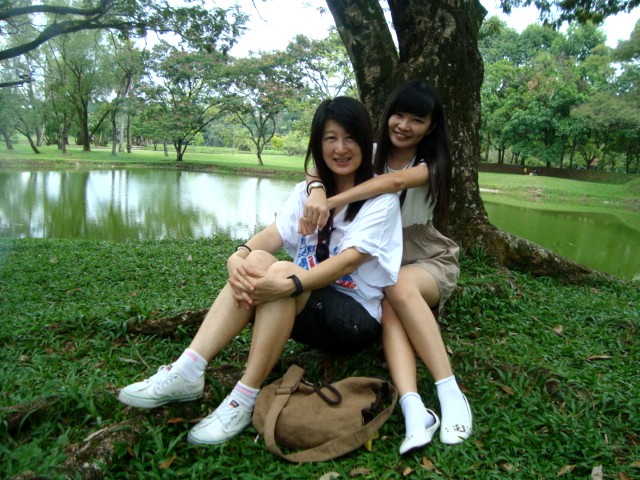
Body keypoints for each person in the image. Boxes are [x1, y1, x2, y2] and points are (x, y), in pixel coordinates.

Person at [117, 96, 403, 446]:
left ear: (365, 140)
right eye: (330, 138)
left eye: (350, 138)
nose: (340, 148)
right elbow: (272, 235)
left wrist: (290, 283)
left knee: (282, 272)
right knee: (257, 262)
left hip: (354, 316)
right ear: (318, 144)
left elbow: (348, 262)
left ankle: (243, 397)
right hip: (304, 299)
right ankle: (188, 369)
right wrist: (238, 256)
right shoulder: (307, 192)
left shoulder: (381, 200)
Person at [301, 80, 473, 453]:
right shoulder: (372, 152)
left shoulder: (432, 164)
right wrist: (317, 190)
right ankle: (414, 408)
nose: (404, 125)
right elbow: (318, 169)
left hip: (424, 256)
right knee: (390, 304)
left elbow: (393, 182)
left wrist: (332, 202)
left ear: (431, 126)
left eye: (417, 120)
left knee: (398, 287)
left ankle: (450, 392)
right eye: (399, 115)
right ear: (387, 115)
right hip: (377, 259)